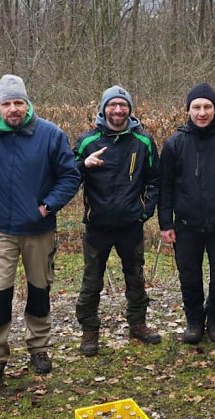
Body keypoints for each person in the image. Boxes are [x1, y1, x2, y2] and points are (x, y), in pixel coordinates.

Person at [0, 74, 80, 391]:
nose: (13, 109)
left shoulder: (50, 134)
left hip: (39, 229)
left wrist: (47, 206)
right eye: (6, 103)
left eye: (18, 102)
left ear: (27, 102)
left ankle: (39, 349)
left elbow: (70, 175)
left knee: (39, 292)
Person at [158, 83, 215, 344]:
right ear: (188, 110)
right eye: (196, 107)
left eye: (207, 107)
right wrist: (166, 223)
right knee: (189, 275)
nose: (202, 112)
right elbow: (164, 187)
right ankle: (194, 319)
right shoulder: (174, 143)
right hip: (187, 225)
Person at [73, 86, 162, 356]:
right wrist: (82, 165)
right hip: (97, 227)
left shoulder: (143, 141)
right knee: (91, 282)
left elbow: (155, 180)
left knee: (135, 278)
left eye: (123, 105)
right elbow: (66, 175)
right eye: (112, 105)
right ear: (103, 109)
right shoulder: (87, 142)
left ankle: (138, 324)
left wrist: (145, 211)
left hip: (130, 225)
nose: (118, 110)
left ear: (130, 109)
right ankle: (89, 331)